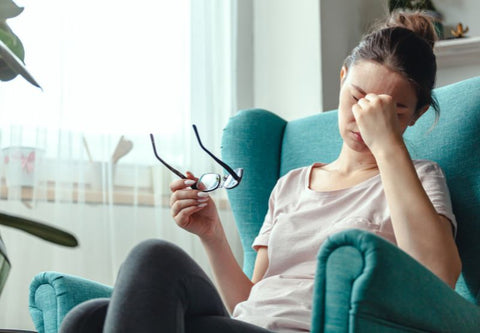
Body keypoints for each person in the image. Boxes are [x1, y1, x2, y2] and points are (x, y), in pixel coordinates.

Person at [60, 10, 461, 333]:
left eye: (391, 110)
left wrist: (387, 144)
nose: (363, 118)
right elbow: (252, 300)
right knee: (86, 319)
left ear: (417, 114)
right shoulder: (290, 185)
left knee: (154, 258)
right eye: (357, 98)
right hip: (247, 324)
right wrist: (213, 235)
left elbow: (437, 275)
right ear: (342, 79)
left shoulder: (419, 180)